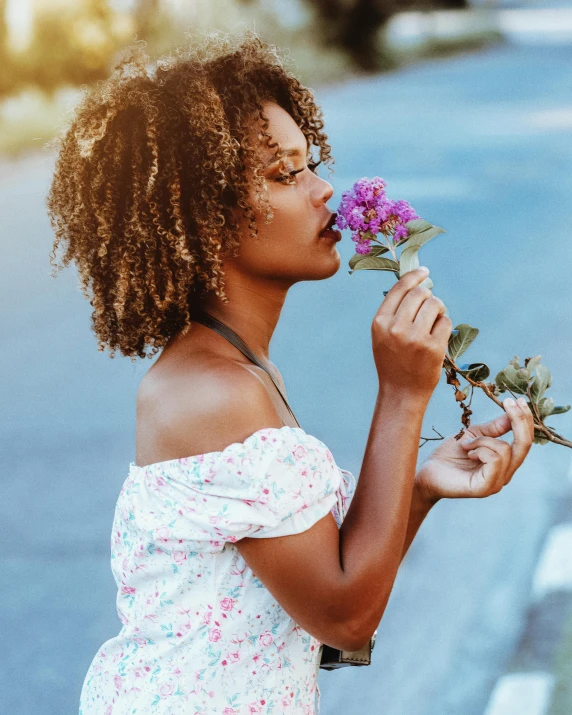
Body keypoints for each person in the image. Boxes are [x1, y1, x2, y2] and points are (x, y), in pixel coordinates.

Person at [46, 30, 535, 715]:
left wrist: (419, 491)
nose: (323, 189)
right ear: (204, 217)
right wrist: (401, 395)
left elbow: (316, 610)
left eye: (310, 164)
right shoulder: (213, 393)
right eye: (286, 174)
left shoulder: (238, 369)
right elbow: (344, 619)